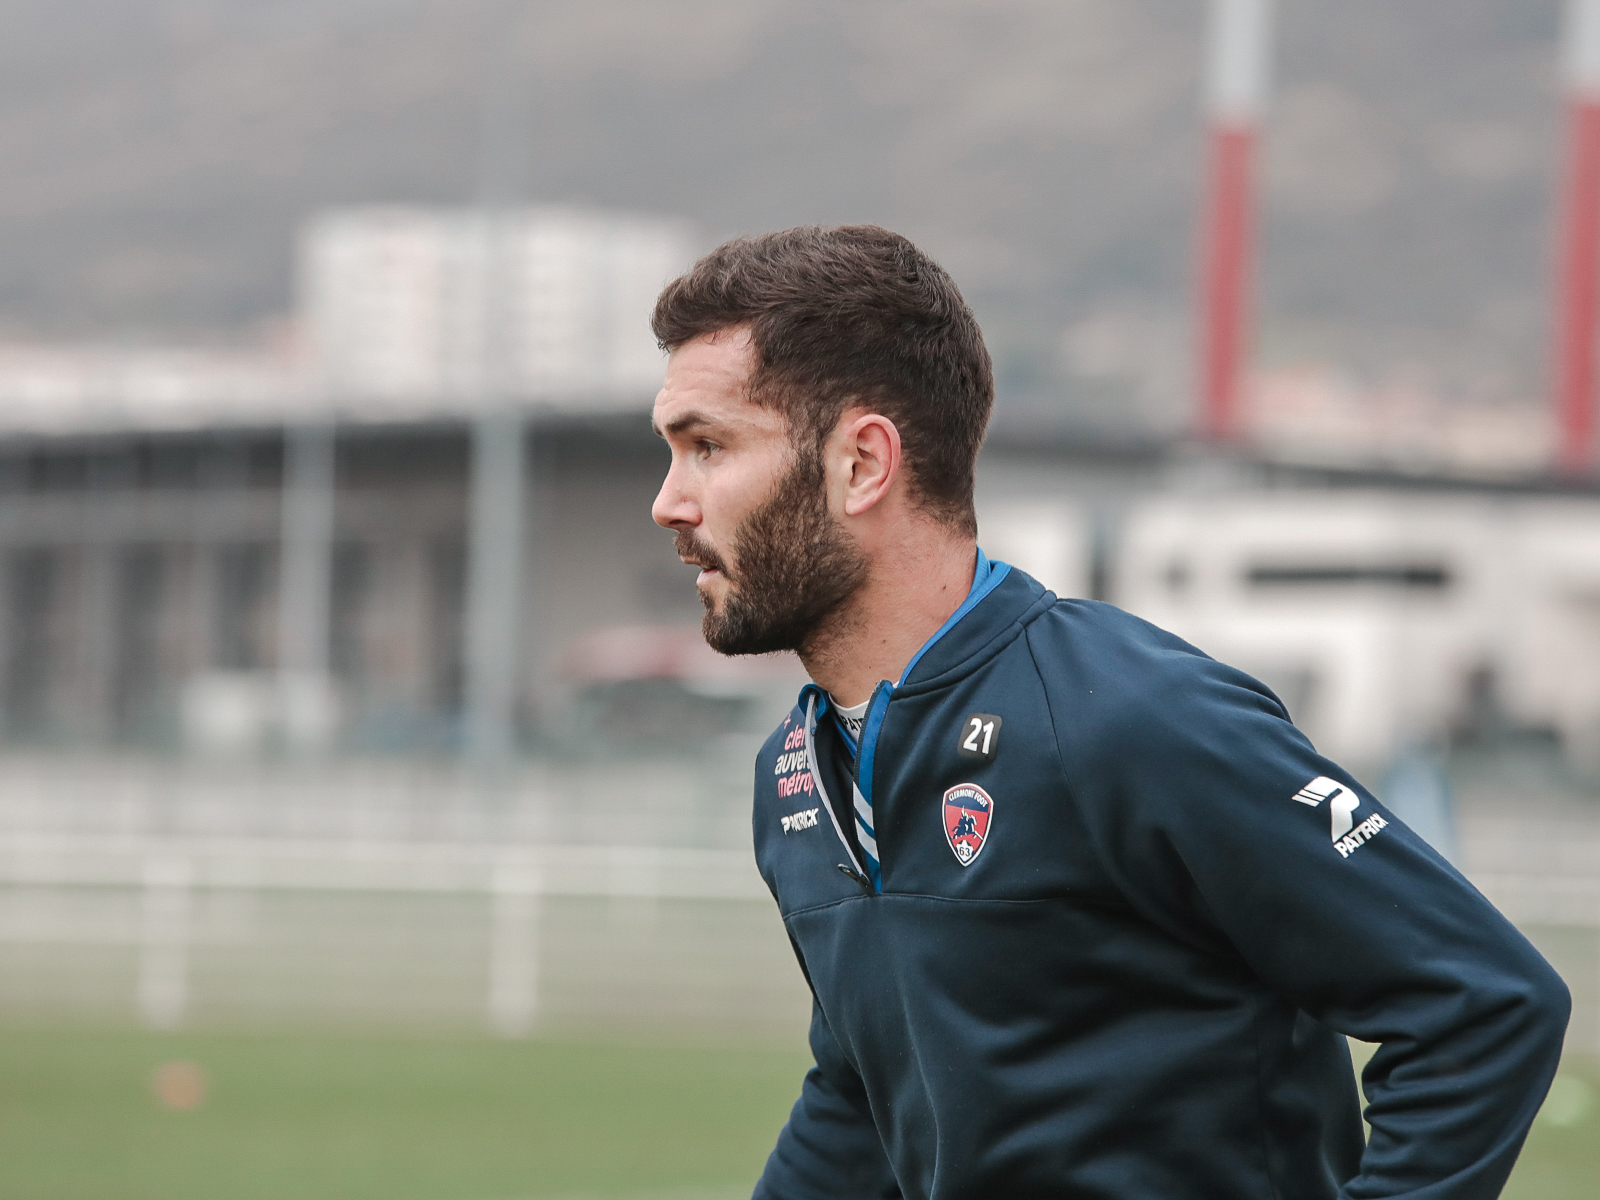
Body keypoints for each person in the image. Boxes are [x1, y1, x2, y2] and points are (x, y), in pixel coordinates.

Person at [648, 224, 1569, 1200]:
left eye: (708, 447)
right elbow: (862, 1091)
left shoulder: (1131, 719)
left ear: (861, 465)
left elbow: (1484, 1007)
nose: (669, 501)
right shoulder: (795, 770)